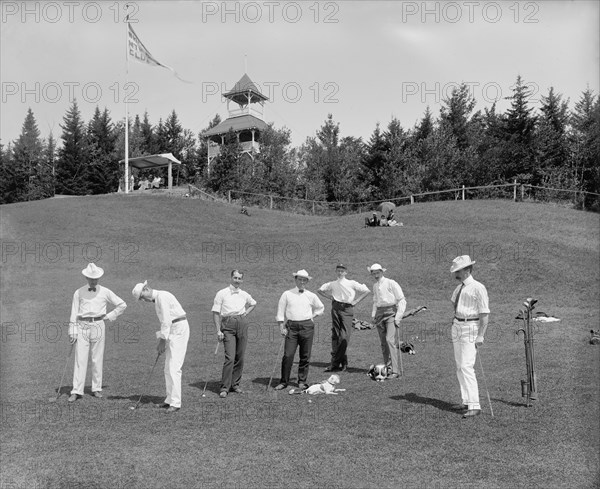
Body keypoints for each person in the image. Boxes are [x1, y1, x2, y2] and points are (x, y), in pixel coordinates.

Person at [68, 263, 127, 402]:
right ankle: (76, 390)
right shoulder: (78, 292)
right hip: (82, 326)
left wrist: (109, 316)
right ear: (86, 277)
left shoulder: (105, 291)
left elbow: (122, 304)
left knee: (97, 357)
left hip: (98, 326)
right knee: (80, 358)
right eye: (90, 278)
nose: (93, 281)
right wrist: (73, 331)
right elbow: (74, 312)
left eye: (95, 278)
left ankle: (96, 389)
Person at [132, 280, 190, 413]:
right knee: (167, 368)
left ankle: (176, 403)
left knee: (174, 367)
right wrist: (162, 339)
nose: (143, 300)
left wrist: (162, 341)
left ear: (146, 289)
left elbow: (166, 321)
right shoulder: (158, 299)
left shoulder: (162, 297)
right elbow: (165, 323)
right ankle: (169, 399)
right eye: (140, 299)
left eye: (142, 296)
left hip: (179, 329)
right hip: (173, 330)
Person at [449, 255, 490, 418]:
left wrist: (481, 335)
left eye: (458, 271)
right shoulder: (459, 288)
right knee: (459, 366)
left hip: (470, 327)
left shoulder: (478, 287)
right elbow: (454, 303)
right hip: (457, 325)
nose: (456, 274)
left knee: (467, 366)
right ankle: (466, 400)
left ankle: (475, 405)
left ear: (467, 270)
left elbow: (484, 313)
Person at [274, 270, 324, 391]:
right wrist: (281, 326)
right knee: (288, 355)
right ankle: (284, 381)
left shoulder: (311, 295)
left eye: (304, 280)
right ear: (295, 280)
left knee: (305, 355)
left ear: (307, 281)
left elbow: (321, 308)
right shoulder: (287, 294)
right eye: (300, 279)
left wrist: (312, 317)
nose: (302, 282)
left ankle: (302, 381)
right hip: (291, 327)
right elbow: (280, 312)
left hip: (307, 326)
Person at [211, 270, 257, 398]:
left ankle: (235, 385)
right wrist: (218, 330)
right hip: (228, 324)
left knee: (240, 356)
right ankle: (224, 387)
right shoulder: (222, 293)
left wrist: (246, 313)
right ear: (231, 278)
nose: (237, 280)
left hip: (242, 323)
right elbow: (215, 312)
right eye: (235, 277)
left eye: (239, 278)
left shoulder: (244, 294)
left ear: (242, 280)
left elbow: (253, 303)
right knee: (230, 357)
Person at [317, 263, 370, 372]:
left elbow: (366, 290)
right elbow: (319, 290)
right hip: (336, 307)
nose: (340, 272)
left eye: (342, 271)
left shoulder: (351, 283)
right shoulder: (332, 284)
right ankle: (343, 362)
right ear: (336, 271)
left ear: (346, 272)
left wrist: (356, 301)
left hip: (347, 308)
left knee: (344, 336)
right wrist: (330, 297)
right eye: (338, 270)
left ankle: (335, 362)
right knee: (336, 335)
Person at [368, 263, 406, 379]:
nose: (375, 275)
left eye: (377, 273)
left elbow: (401, 299)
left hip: (391, 313)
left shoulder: (391, 283)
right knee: (383, 343)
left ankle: (395, 371)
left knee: (390, 340)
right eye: (373, 273)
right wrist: (374, 315)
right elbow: (375, 301)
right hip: (379, 314)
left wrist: (398, 317)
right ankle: (387, 367)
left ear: (382, 272)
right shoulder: (375, 286)